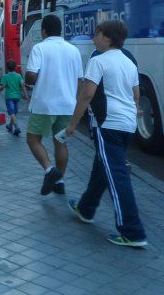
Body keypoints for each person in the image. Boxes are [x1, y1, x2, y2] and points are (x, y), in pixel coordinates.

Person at [66, 21, 147, 247]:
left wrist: (73, 124)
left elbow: (86, 95)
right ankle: (86, 208)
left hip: (107, 124)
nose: (93, 38)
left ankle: (133, 232)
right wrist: (133, 109)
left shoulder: (97, 61)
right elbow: (136, 94)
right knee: (105, 167)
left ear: (108, 37)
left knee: (116, 175)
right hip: (128, 124)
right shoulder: (128, 61)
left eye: (97, 34)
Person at [25, 14, 83, 195]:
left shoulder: (40, 48)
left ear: (43, 31)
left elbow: (31, 76)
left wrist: (29, 78)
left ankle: (50, 170)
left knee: (33, 139)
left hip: (44, 104)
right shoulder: (73, 50)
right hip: (67, 104)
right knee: (60, 142)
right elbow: (80, 80)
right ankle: (60, 181)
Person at [0, 60, 28, 136]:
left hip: (9, 97)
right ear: (15, 67)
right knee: (14, 112)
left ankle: (17, 127)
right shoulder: (18, 76)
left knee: (11, 113)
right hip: (17, 97)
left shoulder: (5, 76)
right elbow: (23, 86)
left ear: (7, 68)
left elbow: (3, 86)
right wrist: (26, 95)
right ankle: (10, 126)